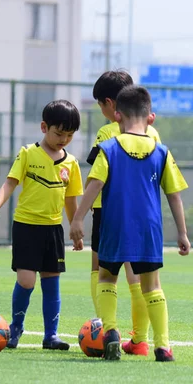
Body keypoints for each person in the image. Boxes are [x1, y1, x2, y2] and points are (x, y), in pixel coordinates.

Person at [69, 85, 189, 361]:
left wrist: (77, 219)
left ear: (118, 117)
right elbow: (174, 195)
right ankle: (162, 346)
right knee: (152, 285)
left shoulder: (108, 148)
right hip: (149, 228)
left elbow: (94, 184)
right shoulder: (161, 152)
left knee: (106, 277)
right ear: (151, 117)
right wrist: (182, 233)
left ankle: (110, 331)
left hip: (114, 225)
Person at [0, 100, 83, 350]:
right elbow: (10, 182)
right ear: (44, 127)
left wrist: (75, 228)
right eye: (59, 133)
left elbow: (70, 200)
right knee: (27, 281)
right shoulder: (28, 153)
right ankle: (15, 328)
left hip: (53, 230)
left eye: (70, 135)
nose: (64, 139)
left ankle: (51, 335)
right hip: (26, 226)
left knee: (52, 282)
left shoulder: (71, 163)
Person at [88, 70, 162, 356]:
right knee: (139, 277)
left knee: (102, 271)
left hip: (108, 212)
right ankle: (141, 340)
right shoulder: (152, 131)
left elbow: (97, 174)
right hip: (143, 213)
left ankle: (107, 331)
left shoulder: (108, 131)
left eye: (100, 104)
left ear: (110, 104)